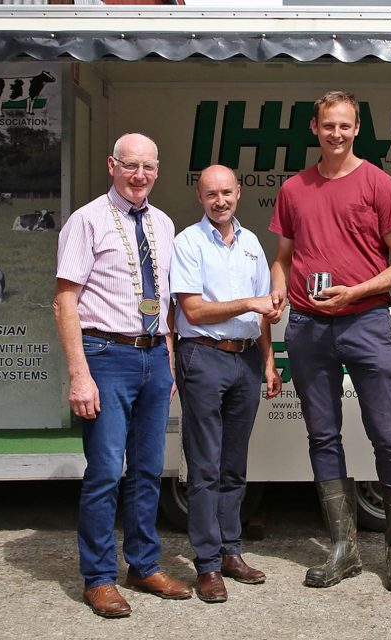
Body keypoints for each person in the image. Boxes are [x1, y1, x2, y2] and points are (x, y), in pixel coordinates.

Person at [269, 90, 391, 592]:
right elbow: (284, 256)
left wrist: (356, 290)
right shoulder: (294, 189)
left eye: (345, 126)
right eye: (328, 125)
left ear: (357, 129)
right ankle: (344, 547)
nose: (337, 133)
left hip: (366, 322)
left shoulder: (378, 183)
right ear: (315, 128)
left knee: (387, 433)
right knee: (322, 436)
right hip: (309, 327)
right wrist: (277, 291)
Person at [54, 133, 189, 618]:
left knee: (149, 470)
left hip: (153, 355)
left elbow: (166, 300)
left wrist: (168, 356)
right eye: (130, 165)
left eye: (148, 167)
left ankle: (144, 564)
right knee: (107, 471)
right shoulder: (86, 220)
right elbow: (64, 299)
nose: (140, 175)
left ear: (157, 169)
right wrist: (79, 374)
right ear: (112, 165)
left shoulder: (164, 223)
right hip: (105, 354)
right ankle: (98, 577)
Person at [170, 164, 283, 603]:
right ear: (200, 197)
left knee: (234, 465)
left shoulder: (252, 243)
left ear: (239, 192)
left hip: (246, 361)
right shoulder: (188, 242)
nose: (220, 200)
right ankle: (207, 565)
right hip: (203, 356)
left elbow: (261, 315)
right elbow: (194, 311)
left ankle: (231, 551)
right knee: (203, 465)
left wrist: (269, 362)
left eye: (227, 192)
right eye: (211, 194)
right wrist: (251, 302)